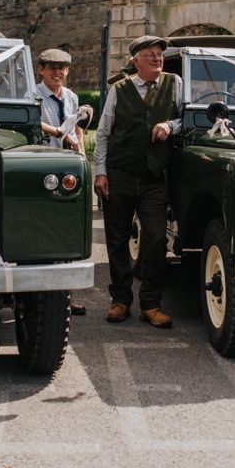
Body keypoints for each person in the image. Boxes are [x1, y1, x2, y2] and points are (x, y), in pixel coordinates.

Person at [93, 35, 182, 328]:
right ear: (135, 61)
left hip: (154, 177)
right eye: (150, 55)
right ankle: (120, 300)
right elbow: (103, 133)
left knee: (156, 239)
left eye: (159, 54)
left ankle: (151, 304)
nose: (157, 58)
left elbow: (186, 118)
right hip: (120, 173)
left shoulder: (174, 84)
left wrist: (169, 125)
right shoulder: (119, 89)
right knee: (117, 240)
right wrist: (100, 172)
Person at [36, 48, 86, 316]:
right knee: (42, 231)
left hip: (67, 171)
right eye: (51, 67)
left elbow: (76, 126)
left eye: (62, 68)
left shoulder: (71, 96)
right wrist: (58, 132)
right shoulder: (33, 95)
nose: (57, 72)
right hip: (42, 168)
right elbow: (34, 120)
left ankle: (64, 297)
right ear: (41, 70)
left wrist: (81, 149)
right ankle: (36, 296)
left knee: (66, 233)